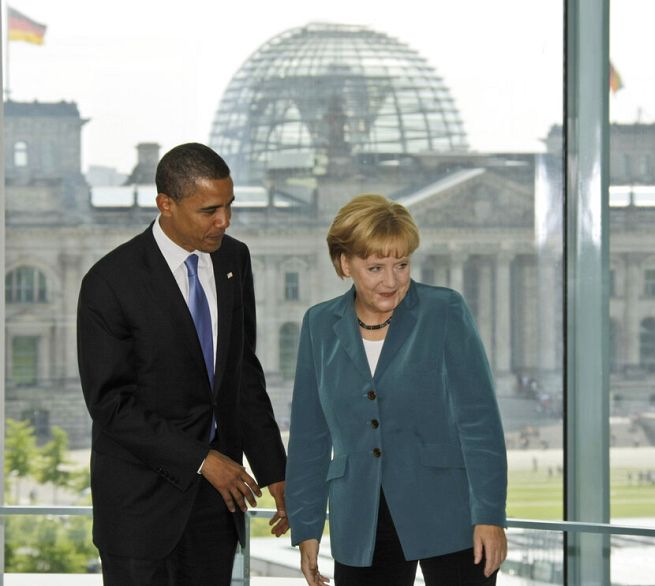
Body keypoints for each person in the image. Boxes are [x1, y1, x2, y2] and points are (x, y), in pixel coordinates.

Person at [77, 143, 288, 585]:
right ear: (166, 205)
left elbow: (242, 374)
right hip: (139, 510)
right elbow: (111, 405)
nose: (224, 221)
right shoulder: (109, 282)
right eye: (209, 210)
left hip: (217, 506)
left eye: (229, 206)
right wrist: (201, 460)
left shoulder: (235, 259)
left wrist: (276, 472)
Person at [286, 194, 508, 586]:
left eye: (401, 264)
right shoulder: (319, 325)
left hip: (449, 513)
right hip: (359, 519)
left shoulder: (445, 311)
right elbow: (309, 436)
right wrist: (306, 527)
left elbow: (480, 420)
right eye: (375, 267)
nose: (391, 280)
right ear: (344, 264)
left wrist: (489, 515)